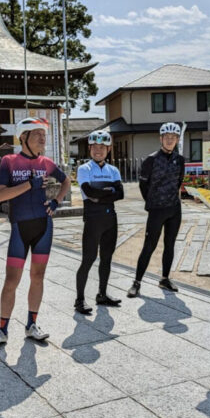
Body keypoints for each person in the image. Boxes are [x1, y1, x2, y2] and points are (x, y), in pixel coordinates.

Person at [0, 117, 70, 346]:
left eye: (44, 135)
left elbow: (67, 181)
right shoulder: (9, 161)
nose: (43, 139)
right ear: (23, 137)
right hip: (20, 228)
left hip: (44, 226)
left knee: (38, 276)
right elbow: (0, 195)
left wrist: (56, 202)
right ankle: (2, 330)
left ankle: (32, 324)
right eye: (37, 135)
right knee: (12, 280)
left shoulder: (47, 162)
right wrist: (28, 185)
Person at [126, 122, 185, 298]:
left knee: (170, 244)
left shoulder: (180, 160)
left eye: (173, 137)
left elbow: (179, 181)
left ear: (177, 139)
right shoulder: (151, 160)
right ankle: (136, 282)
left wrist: (170, 199)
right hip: (156, 209)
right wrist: (152, 202)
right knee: (149, 246)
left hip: (174, 208)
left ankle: (165, 278)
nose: (169, 140)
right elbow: (143, 184)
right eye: (166, 137)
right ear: (160, 139)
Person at [74, 130, 124, 314]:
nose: (98, 150)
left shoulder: (114, 170)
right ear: (90, 148)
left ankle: (102, 294)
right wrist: (108, 191)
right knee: (88, 259)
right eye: (95, 147)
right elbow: (88, 192)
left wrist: (100, 194)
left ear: (108, 149)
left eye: (102, 147)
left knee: (107, 258)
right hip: (93, 220)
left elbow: (121, 194)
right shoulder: (84, 169)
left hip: (111, 219)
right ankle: (79, 300)